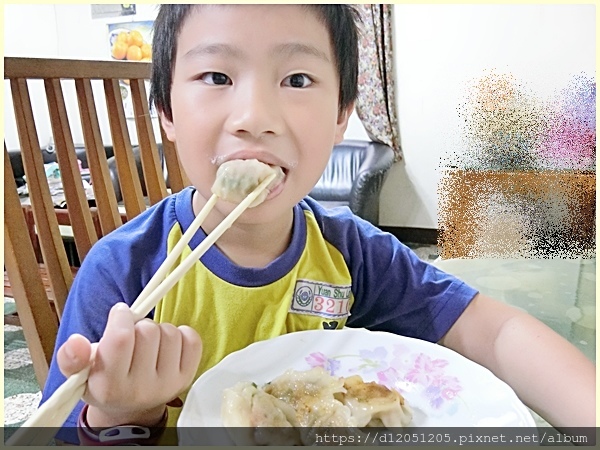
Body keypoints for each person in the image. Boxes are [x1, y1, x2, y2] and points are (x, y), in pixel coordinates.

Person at [40, 4, 594, 445]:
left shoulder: (353, 254)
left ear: (341, 114)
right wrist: (123, 413)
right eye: (216, 75)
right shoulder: (123, 273)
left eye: (298, 78)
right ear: (165, 110)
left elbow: (494, 332)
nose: (254, 116)